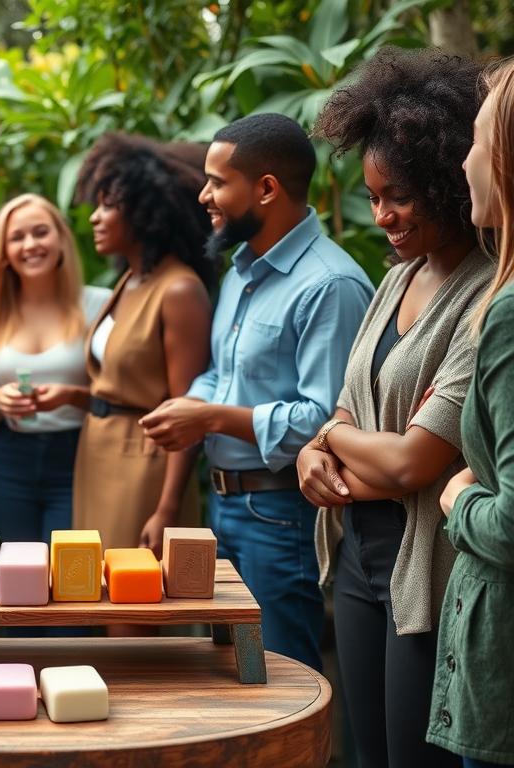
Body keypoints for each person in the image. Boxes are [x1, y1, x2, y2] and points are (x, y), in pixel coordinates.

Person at [299, 48, 489, 767]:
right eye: (374, 197)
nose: (384, 215)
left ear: (446, 179)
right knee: (363, 752)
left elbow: (417, 461)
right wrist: (320, 446)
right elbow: (345, 410)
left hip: (428, 567)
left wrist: (335, 443)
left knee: (414, 756)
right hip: (358, 555)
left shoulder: (483, 296)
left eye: (399, 195)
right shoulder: (394, 279)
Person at [141, 113, 375, 672]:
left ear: (266, 188)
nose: (204, 195)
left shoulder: (330, 285)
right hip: (225, 507)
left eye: (217, 182)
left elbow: (326, 421)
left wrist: (212, 419)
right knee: (229, 675)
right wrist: (191, 405)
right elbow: (224, 371)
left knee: (278, 677)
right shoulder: (241, 268)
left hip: (281, 513)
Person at [427, 59, 514, 768]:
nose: (465, 158)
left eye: (479, 140)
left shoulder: (507, 312)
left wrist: (460, 495)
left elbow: (513, 520)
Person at [72, 133, 214, 559]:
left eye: (108, 205)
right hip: (98, 454)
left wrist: (167, 507)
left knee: (132, 603)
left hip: (144, 464)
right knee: (95, 593)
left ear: (146, 210)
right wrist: (70, 396)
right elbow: (121, 382)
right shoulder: (130, 280)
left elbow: (183, 406)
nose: (95, 218)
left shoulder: (178, 289)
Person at [0, 193, 111, 541]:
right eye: (16, 237)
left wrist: (71, 396)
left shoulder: (100, 304)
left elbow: (119, 399)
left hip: (79, 456)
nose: (30, 244)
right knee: (13, 572)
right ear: (3, 253)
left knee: (69, 572)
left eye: (41, 232)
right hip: (6, 459)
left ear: (61, 239)